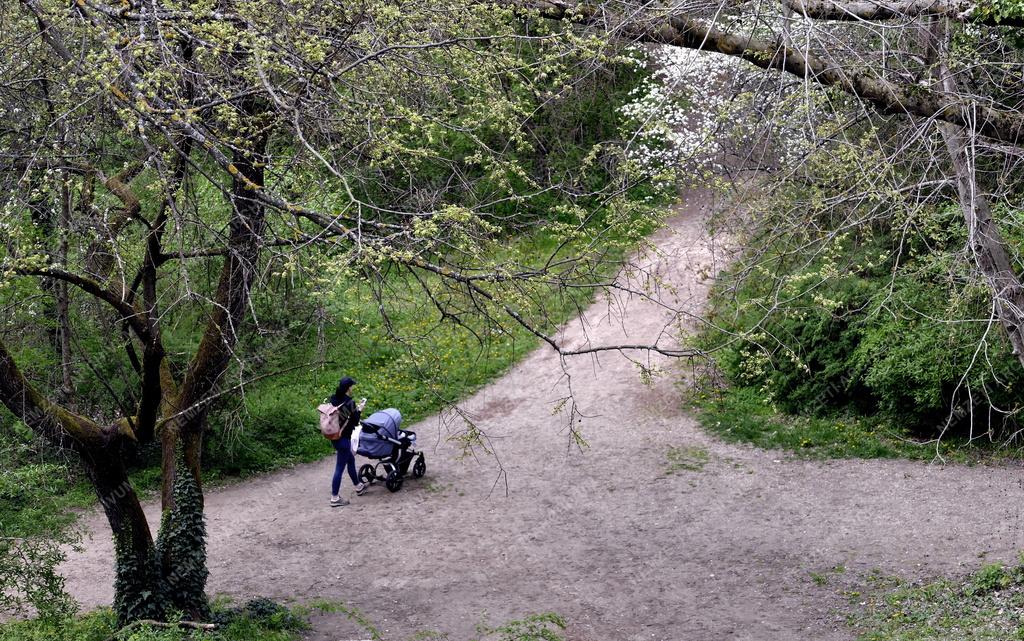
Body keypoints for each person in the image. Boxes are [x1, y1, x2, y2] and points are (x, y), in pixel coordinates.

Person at [328, 376, 367, 507]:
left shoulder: (333, 399)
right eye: (352, 386)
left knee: (350, 459)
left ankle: (358, 485)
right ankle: (334, 497)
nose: (352, 388)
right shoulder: (349, 402)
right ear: (348, 388)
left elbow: (341, 417)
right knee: (339, 468)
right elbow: (355, 421)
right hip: (344, 438)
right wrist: (360, 409)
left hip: (334, 436)